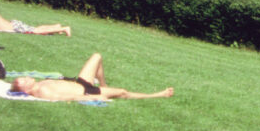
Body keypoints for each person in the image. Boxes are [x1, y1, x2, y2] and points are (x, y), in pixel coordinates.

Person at [10, 53, 173, 101]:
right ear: (25, 90)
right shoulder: (42, 92)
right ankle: (158, 94)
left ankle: (104, 84)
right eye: (23, 81)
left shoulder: (40, 83)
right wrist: (94, 98)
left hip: (80, 82)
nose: (25, 77)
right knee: (122, 92)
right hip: (87, 91)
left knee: (97, 57)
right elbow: (68, 97)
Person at [0, 4, 71, 36]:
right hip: (14, 25)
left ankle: (64, 28)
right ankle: (56, 27)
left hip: (14, 27)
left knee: (37, 31)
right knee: (35, 29)